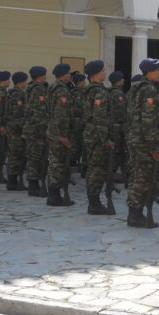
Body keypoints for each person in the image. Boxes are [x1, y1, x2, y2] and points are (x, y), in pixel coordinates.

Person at [126, 58, 159, 226]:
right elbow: (149, 120)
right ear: (149, 71)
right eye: (157, 70)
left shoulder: (135, 87)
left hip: (134, 136)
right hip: (143, 140)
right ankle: (136, 214)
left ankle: (134, 212)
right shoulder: (148, 89)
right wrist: (152, 145)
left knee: (136, 175)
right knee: (142, 177)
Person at [80, 60, 113, 214]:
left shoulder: (87, 90)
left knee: (93, 167)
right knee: (97, 169)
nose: (105, 73)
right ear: (97, 73)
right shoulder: (99, 91)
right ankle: (94, 203)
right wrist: (105, 139)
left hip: (90, 133)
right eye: (103, 70)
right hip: (97, 135)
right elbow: (100, 117)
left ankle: (93, 201)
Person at [44, 64, 75, 207]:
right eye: (68, 73)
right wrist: (63, 136)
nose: (69, 75)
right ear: (63, 75)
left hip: (52, 131)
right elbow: (61, 115)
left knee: (54, 163)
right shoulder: (62, 90)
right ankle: (54, 196)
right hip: (59, 133)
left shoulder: (52, 87)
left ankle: (53, 194)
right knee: (57, 164)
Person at [24, 66, 49, 197]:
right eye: (44, 74)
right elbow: (40, 112)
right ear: (40, 76)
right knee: (36, 158)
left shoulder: (30, 88)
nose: (46, 76)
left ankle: (33, 184)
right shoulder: (39, 89)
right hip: (36, 129)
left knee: (33, 157)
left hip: (31, 127)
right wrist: (44, 130)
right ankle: (33, 186)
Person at [108, 71, 128, 187]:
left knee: (115, 151)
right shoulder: (117, 94)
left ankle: (112, 174)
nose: (123, 81)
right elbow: (121, 113)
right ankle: (112, 175)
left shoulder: (109, 92)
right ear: (118, 81)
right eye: (122, 79)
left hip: (113, 126)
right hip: (117, 127)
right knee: (117, 151)